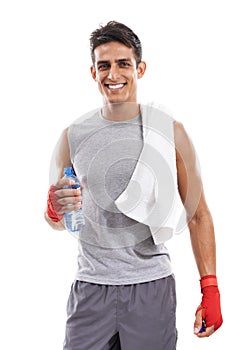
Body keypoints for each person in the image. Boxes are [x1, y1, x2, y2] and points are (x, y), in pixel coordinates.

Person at [44, 21, 223, 350]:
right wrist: (53, 208)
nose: (113, 74)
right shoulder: (72, 136)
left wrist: (210, 288)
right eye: (104, 65)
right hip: (90, 287)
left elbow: (198, 215)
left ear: (140, 68)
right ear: (93, 72)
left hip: (150, 287)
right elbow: (59, 221)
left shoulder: (169, 131)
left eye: (123, 63)